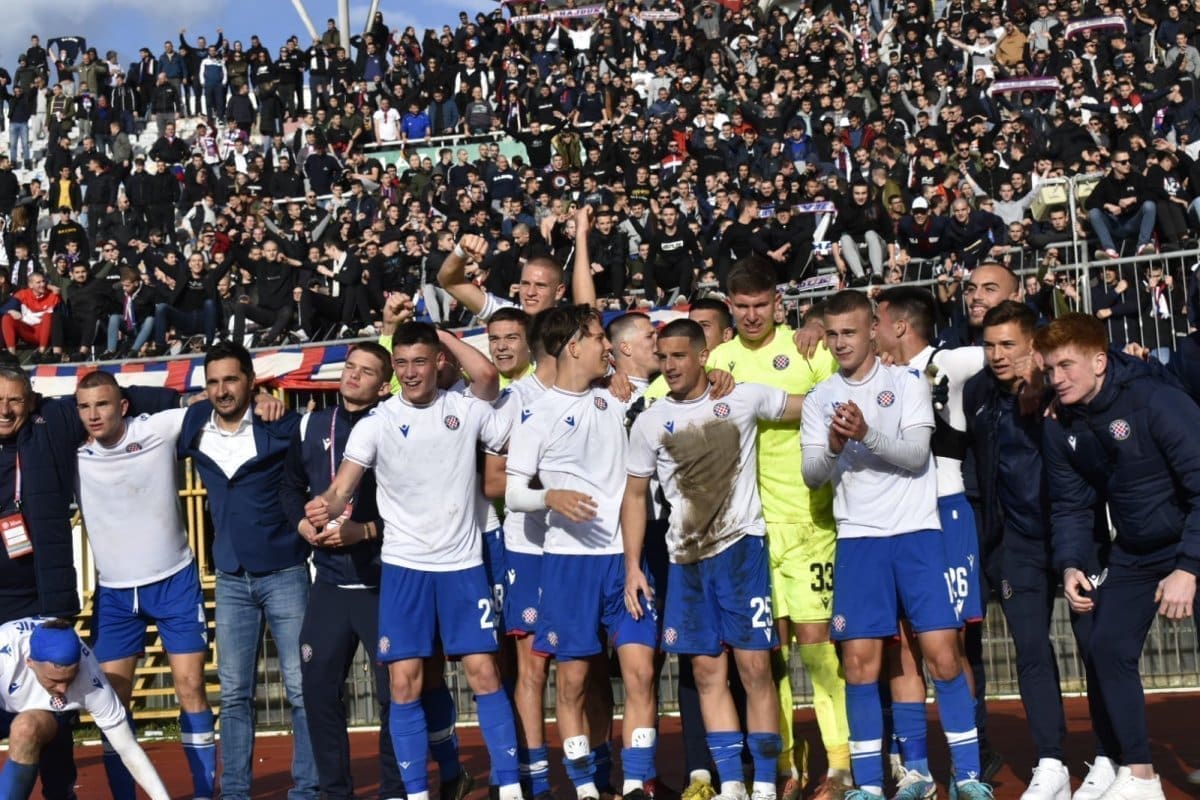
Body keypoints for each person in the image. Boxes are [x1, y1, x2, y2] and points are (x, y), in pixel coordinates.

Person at [306, 322, 523, 800]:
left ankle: (509, 789)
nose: (409, 372)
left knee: (485, 673)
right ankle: (417, 793)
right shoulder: (376, 422)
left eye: (419, 361)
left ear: (438, 362)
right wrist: (325, 505)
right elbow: (342, 486)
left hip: (462, 566)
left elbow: (488, 376)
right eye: (401, 363)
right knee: (404, 683)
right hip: (405, 569)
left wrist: (441, 334)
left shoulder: (466, 408)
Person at [800, 290, 990, 800]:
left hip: (917, 534)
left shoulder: (906, 383)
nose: (840, 342)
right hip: (859, 540)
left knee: (943, 655)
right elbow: (812, 474)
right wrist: (834, 446)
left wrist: (863, 434)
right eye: (832, 334)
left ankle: (969, 776)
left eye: (849, 332)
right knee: (859, 664)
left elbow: (915, 455)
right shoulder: (819, 398)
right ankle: (871, 785)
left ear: (871, 331)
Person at [623, 318, 811, 800]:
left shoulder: (742, 398)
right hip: (685, 561)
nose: (669, 366)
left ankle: (763, 782)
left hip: (741, 554)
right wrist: (632, 567)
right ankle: (731, 784)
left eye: (679, 356)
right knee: (707, 674)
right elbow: (635, 496)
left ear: (703, 356)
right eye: (663, 357)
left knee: (755, 670)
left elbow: (809, 406)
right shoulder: (649, 420)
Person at [1039, 313, 1200, 800]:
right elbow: (1070, 504)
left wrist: (1188, 567)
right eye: (1049, 369)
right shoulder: (1060, 423)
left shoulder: (1157, 400)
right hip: (1136, 547)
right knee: (1107, 645)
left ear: (1099, 362)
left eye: (1066, 366)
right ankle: (1141, 775)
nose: (1056, 378)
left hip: (1191, 538)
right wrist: (1070, 564)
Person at [707, 260, 850, 800]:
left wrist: (815, 327)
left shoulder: (808, 348)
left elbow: (840, 403)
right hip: (750, 530)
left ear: (778, 303)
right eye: (741, 307)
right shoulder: (718, 359)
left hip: (811, 520)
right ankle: (786, 764)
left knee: (818, 650)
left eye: (760, 305)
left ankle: (841, 765)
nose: (751, 315)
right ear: (730, 305)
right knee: (769, 656)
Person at [505, 305, 661, 800]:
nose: (607, 345)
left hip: (625, 561)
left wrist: (720, 377)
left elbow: (680, 385)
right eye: (597, 337)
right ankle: (585, 787)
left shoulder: (621, 396)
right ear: (573, 346)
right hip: (568, 566)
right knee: (571, 684)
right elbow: (512, 494)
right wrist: (550, 497)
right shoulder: (536, 415)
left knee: (641, 672)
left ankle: (635, 782)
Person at [965, 304, 1116, 800]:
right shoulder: (978, 392)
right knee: (1030, 651)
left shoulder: (1063, 386)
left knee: (1095, 646)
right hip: (1017, 544)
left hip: (1079, 534)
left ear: (1033, 345)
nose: (997, 355)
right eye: (989, 345)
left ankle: (1110, 755)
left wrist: (1044, 386)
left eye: (1008, 344)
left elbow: (1100, 362)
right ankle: (1050, 761)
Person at [75, 370, 240, 800]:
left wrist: (258, 402)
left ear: (124, 405)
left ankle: (203, 793)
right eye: (84, 406)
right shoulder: (72, 449)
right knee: (112, 702)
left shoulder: (157, 427)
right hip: (114, 594)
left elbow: (211, 403)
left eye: (103, 404)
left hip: (174, 583)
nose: (93, 414)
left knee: (190, 687)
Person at [177, 342, 317, 800]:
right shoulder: (194, 423)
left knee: (301, 689)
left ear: (251, 381)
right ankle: (235, 792)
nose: (222, 390)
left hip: (285, 572)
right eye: (213, 382)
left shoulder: (281, 425)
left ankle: (308, 790)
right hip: (231, 577)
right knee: (234, 693)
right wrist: (190, 399)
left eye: (231, 380)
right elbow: (137, 402)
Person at [872, 287, 986, 800]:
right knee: (901, 647)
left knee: (948, 648)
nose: (870, 330)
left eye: (876, 321)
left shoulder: (948, 363)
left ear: (899, 325)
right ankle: (916, 771)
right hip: (894, 520)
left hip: (944, 512)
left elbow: (1015, 350)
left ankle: (967, 770)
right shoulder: (874, 375)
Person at [278, 343, 407, 800]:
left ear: (384, 385)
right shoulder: (311, 423)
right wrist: (301, 524)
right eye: (350, 366)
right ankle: (335, 792)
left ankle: (395, 790)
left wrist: (366, 531)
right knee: (317, 691)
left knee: (395, 695)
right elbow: (290, 487)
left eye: (366, 371)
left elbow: (419, 505)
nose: (353, 376)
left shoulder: (397, 425)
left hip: (383, 583)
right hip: (329, 584)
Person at [0, 619, 172, 800]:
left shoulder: (90, 676)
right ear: (30, 662)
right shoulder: (5, 654)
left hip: (47, 717)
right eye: (54, 681)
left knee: (28, 731)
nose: (63, 690)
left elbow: (128, 748)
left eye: (70, 679)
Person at [437, 233, 565, 323]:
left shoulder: (570, 326)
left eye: (540, 285)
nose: (530, 292)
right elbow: (450, 282)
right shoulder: (509, 317)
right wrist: (460, 251)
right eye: (525, 284)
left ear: (559, 291)